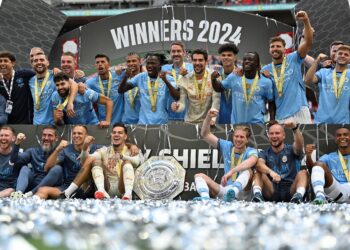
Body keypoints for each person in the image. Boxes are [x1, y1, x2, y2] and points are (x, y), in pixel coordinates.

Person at [61, 123, 141, 200]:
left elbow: (136, 162)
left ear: (125, 136)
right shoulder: (105, 150)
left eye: (120, 133)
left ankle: (128, 195)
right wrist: (85, 148)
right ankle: (99, 191)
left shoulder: (133, 150)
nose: (116, 134)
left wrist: (121, 156)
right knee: (96, 161)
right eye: (114, 133)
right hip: (108, 186)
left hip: (123, 187)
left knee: (126, 162)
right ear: (111, 135)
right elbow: (87, 160)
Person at [194, 109, 258, 201]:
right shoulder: (227, 146)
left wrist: (231, 172)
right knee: (199, 176)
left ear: (247, 140)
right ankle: (205, 199)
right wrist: (208, 117)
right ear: (233, 137)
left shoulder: (250, 151)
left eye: (242, 137)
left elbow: (252, 160)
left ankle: (233, 192)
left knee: (248, 171)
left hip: (242, 191)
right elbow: (205, 134)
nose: (238, 139)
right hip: (225, 190)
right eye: (236, 136)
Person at [261, 11, 313, 124]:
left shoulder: (294, 58)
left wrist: (305, 21)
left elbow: (308, 43)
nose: (275, 48)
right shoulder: (265, 70)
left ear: (285, 49)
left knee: (306, 141)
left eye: (278, 46)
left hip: (300, 110)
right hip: (280, 114)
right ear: (269, 50)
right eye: (272, 46)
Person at [252, 121, 309, 203]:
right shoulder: (264, 153)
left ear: (283, 136)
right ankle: (257, 196)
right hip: (272, 191)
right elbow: (259, 164)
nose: (274, 136)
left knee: (303, 172)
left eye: (277, 133)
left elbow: (299, 146)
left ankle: (298, 197)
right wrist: (271, 173)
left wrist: (295, 128)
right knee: (258, 171)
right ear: (268, 136)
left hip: (291, 190)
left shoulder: (291, 149)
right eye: (271, 133)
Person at [35, 125, 98, 199]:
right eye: (74, 133)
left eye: (79, 133)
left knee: (91, 159)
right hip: (66, 189)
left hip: (86, 188)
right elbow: (47, 168)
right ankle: (30, 207)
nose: (76, 136)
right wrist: (58, 149)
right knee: (42, 190)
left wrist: (85, 149)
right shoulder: (66, 150)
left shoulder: (96, 148)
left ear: (86, 136)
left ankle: (69, 192)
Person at [212, 52, 273, 124]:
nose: (247, 61)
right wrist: (213, 78)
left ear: (257, 63)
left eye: (250, 60)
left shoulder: (266, 82)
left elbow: (271, 102)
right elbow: (218, 88)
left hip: (257, 124)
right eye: (245, 60)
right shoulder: (234, 76)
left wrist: (271, 120)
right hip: (236, 124)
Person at [118, 53, 179, 125]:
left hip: (162, 123)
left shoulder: (168, 78)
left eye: (153, 63)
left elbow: (177, 97)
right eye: (148, 63)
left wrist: (165, 81)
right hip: (143, 123)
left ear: (160, 64)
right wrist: (125, 77)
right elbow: (121, 90)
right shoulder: (140, 77)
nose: (149, 66)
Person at [9, 126, 63, 198]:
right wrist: (17, 143)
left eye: (50, 135)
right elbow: (14, 161)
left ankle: (31, 193)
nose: (46, 138)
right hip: (33, 183)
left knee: (57, 169)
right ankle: (18, 193)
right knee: (25, 168)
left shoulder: (61, 152)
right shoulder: (33, 151)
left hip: (49, 187)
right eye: (44, 135)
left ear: (56, 138)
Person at [171, 49, 220, 124]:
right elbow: (182, 103)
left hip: (208, 122)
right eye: (195, 60)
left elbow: (216, 100)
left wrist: (212, 119)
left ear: (206, 62)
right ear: (192, 62)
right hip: (190, 122)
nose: (197, 63)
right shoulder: (185, 78)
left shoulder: (214, 76)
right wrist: (177, 107)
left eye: (200, 60)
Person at [304, 45, 350, 124]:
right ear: (334, 57)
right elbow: (308, 80)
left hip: (344, 122)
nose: (342, 56)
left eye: (346, 55)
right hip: (321, 121)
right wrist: (317, 61)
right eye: (340, 53)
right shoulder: (323, 72)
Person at [29, 54, 77, 125]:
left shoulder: (55, 75)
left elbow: (74, 85)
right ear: (32, 64)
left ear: (48, 62)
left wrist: (70, 103)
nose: (39, 62)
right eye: (35, 61)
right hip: (36, 124)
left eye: (42, 60)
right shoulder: (30, 81)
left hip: (54, 124)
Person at [311, 127, 350, 204]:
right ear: (335, 139)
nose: (342, 137)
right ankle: (320, 195)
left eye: (345, 135)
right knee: (319, 164)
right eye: (339, 135)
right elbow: (314, 168)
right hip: (338, 189)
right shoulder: (328, 157)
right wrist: (309, 156)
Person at [86, 54, 124, 125]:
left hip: (120, 122)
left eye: (103, 62)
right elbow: (81, 89)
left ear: (109, 64)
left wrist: (121, 67)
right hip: (103, 123)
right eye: (97, 62)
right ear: (95, 66)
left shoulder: (119, 74)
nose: (100, 64)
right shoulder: (91, 82)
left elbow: (137, 68)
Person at [162, 41, 193, 122]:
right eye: (173, 51)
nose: (176, 53)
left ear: (184, 53)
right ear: (170, 53)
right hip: (168, 117)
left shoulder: (192, 68)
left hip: (188, 116)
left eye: (179, 51)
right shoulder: (164, 69)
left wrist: (184, 76)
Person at [0, 51, 35, 124]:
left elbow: (40, 72)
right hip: (8, 121)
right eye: (0, 61)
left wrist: (53, 71)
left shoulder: (23, 74)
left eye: (5, 61)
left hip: (25, 121)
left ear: (13, 63)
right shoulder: (0, 81)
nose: (2, 63)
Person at [215, 43, 239, 124]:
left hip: (238, 121)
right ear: (220, 57)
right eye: (223, 55)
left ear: (235, 57)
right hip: (219, 121)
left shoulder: (241, 74)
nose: (226, 57)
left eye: (229, 55)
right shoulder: (215, 75)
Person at [120, 52, 143, 124]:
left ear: (140, 62)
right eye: (128, 61)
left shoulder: (145, 78)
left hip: (142, 122)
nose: (131, 63)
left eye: (134, 61)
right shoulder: (123, 79)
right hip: (126, 122)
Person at [0, 126, 20, 197]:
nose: (3, 138)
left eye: (6, 135)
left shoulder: (19, 155)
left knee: (10, 190)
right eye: (1, 135)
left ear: (13, 138)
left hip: (9, 191)